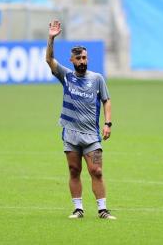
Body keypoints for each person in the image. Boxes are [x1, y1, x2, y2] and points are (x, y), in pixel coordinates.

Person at [45, 19, 116, 220]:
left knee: (97, 170)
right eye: (79, 59)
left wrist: (108, 123)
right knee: (74, 170)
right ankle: (78, 209)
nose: (83, 61)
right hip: (71, 134)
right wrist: (51, 38)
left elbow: (106, 100)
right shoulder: (66, 76)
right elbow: (49, 60)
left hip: (91, 134)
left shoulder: (97, 79)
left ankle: (103, 209)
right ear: (72, 61)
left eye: (85, 57)